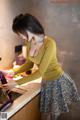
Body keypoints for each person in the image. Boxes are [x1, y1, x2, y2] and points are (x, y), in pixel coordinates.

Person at [1, 13, 80, 120]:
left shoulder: (49, 44)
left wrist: (15, 83)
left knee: (53, 114)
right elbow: (29, 64)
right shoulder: (29, 42)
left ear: (28, 28)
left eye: (20, 33)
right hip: (46, 81)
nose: (20, 36)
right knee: (47, 113)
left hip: (57, 81)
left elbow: (40, 72)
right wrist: (12, 72)